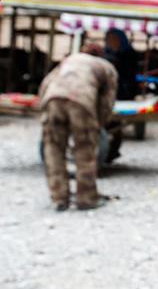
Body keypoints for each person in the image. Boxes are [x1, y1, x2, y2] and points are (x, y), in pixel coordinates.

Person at [38, 45, 118, 210]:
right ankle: (87, 197)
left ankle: (59, 198)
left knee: (53, 149)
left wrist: (44, 109)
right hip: (81, 101)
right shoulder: (106, 67)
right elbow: (106, 102)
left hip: (53, 98)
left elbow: (45, 84)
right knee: (85, 149)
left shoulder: (68, 61)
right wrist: (99, 125)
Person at [103, 28, 138, 100]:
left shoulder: (129, 53)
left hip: (125, 89)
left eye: (114, 39)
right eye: (109, 39)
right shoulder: (107, 53)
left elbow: (127, 72)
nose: (111, 42)